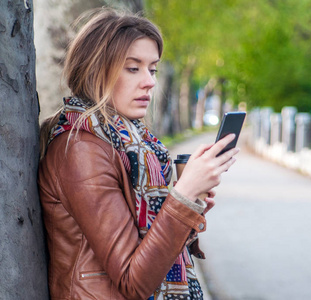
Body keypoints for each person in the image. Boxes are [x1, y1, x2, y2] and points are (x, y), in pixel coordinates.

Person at [38, 8, 239, 300]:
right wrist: (181, 197)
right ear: (96, 70)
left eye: (153, 69)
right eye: (133, 68)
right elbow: (134, 282)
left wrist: (189, 204)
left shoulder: (133, 142)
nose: (150, 81)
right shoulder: (81, 149)